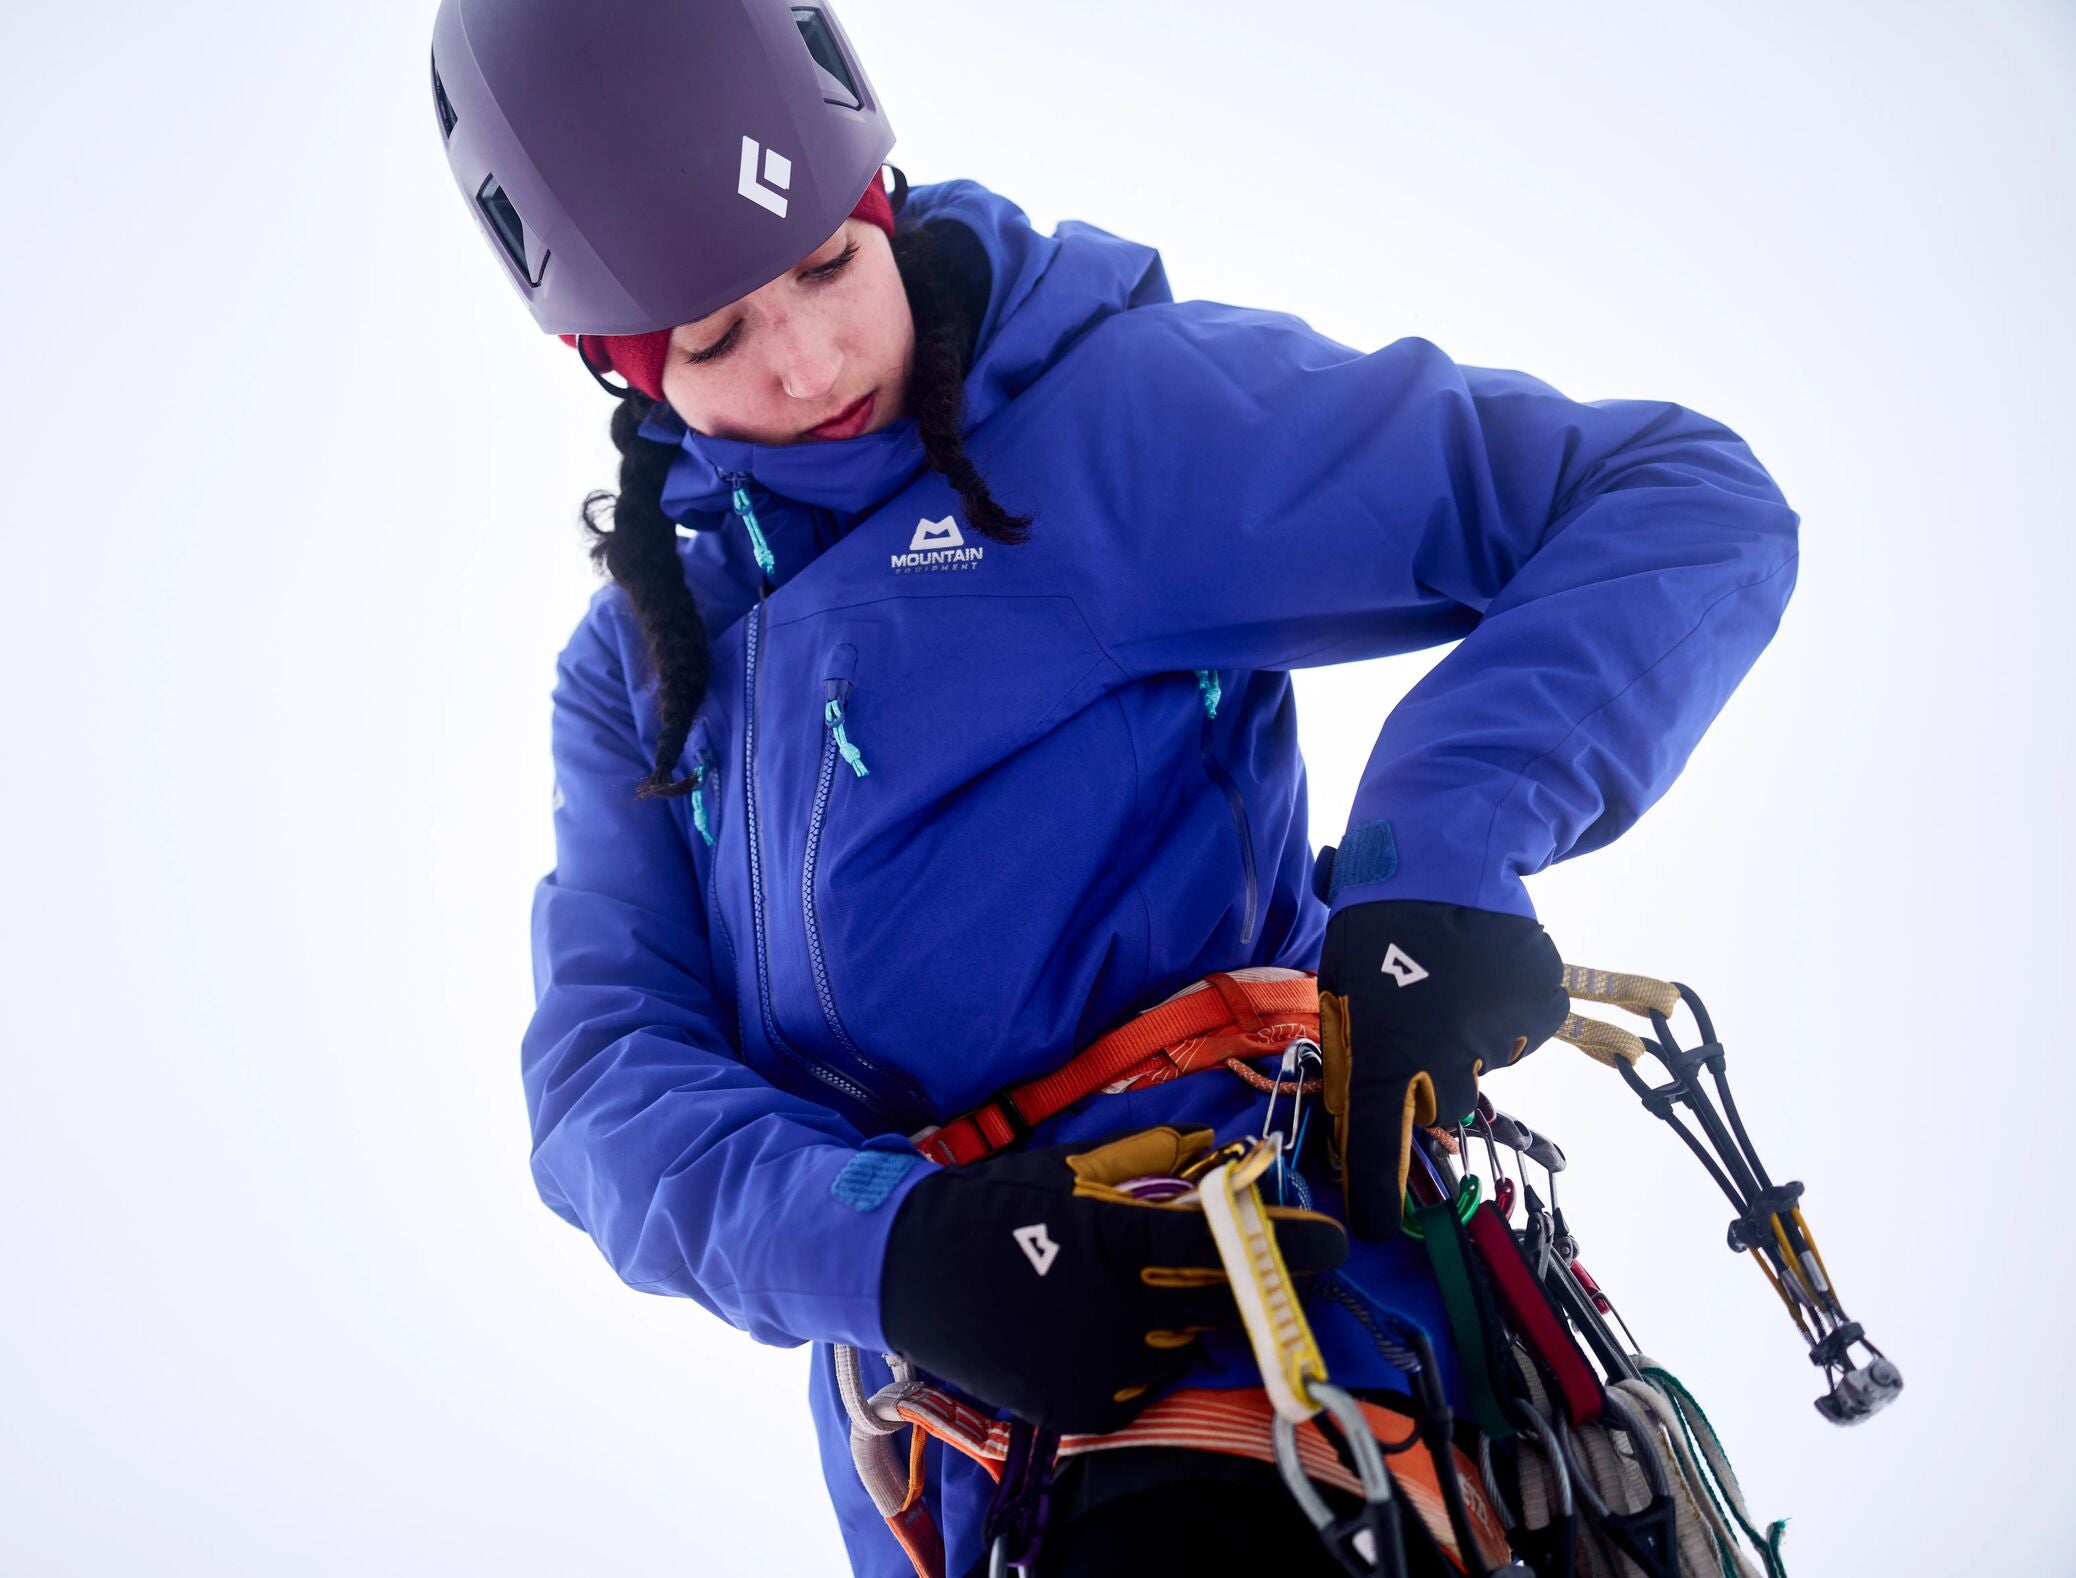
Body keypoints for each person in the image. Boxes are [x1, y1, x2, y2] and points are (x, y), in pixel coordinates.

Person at [430, 2, 1800, 1572]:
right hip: (964, 1445)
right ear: (620, 370)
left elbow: (1675, 501)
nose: (807, 363)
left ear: (883, 203)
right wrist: (896, 1252)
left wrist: (1442, 856)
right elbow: (606, 1080)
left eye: (826, 265)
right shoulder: (639, 674)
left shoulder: (1099, 431)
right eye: (717, 337)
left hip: (1271, 1359)